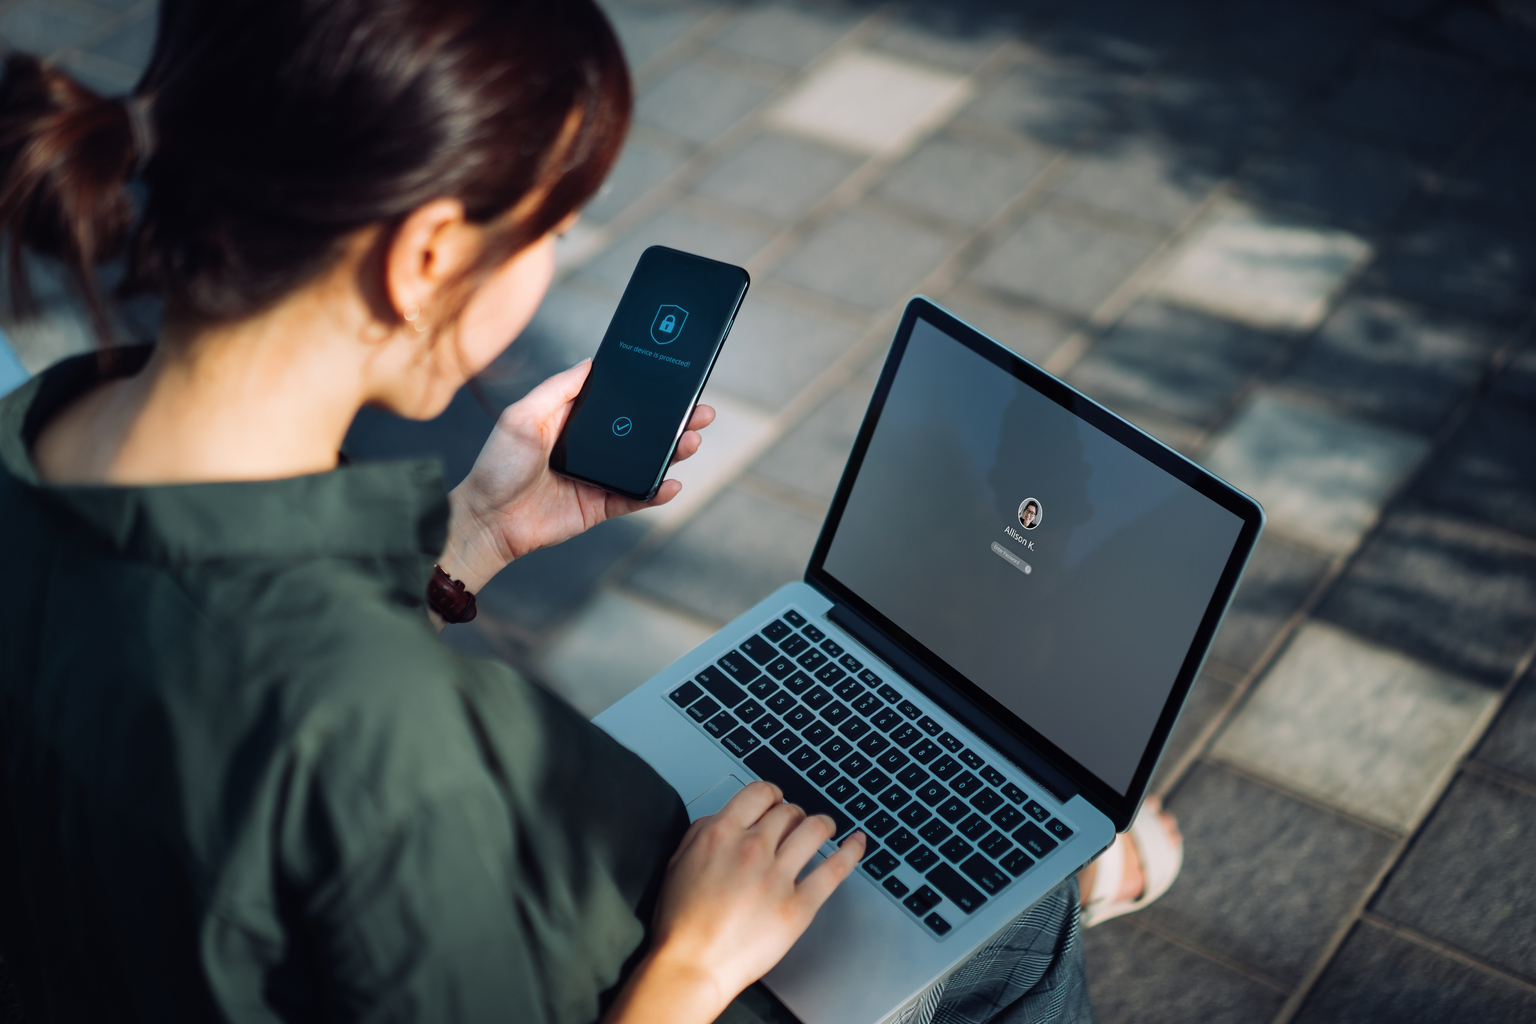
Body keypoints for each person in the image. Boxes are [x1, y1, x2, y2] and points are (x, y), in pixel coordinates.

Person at [0, 2, 1180, 1022]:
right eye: (552, 230)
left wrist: (476, 537)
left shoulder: (39, 437)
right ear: (422, 260)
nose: (554, 264)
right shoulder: (380, 736)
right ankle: (1063, 886)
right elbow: (325, 732)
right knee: (1022, 928)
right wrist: (693, 957)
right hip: (640, 966)